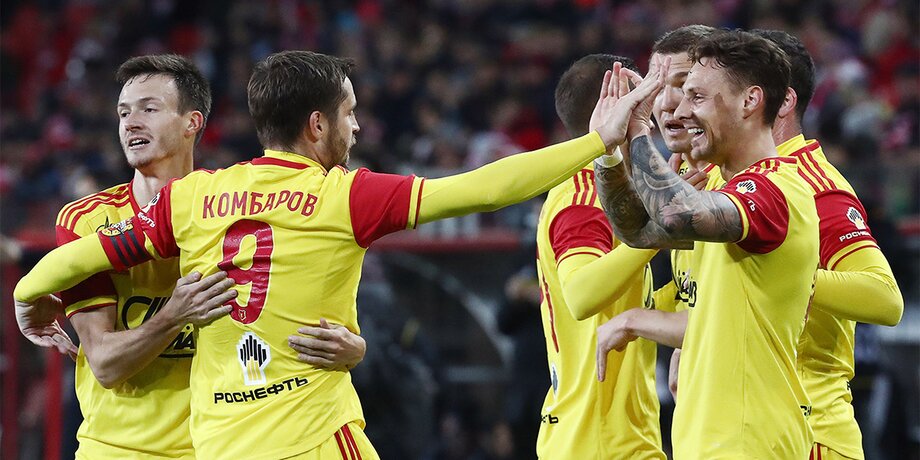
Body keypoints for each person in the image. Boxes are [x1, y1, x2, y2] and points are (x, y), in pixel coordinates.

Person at [14, 49, 667, 459]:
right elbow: (482, 188)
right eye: (349, 113)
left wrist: (26, 296)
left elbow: (78, 259)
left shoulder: (195, 198)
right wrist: (595, 141)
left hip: (218, 443)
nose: (356, 127)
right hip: (308, 437)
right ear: (318, 124)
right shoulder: (343, 196)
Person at [14, 54, 367, 458]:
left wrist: (353, 349)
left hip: (217, 447)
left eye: (149, 109)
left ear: (192, 123)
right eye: (124, 113)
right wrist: (174, 315)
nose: (131, 123)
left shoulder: (233, 208)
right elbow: (106, 365)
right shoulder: (89, 220)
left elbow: (279, 323)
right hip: (119, 449)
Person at [596, 29, 905, 459]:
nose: (675, 107)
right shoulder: (719, 183)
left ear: (758, 100)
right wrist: (608, 152)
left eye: (694, 93)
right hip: (714, 430)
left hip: (809, 430)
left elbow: (885, 299)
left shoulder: (800, 186)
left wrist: (789, 277)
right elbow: (639, 231)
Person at [534, 54, 664, 459]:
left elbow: (622, 302)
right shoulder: (585, 198)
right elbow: (582, 294)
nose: (653, 113)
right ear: (615, 107)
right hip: (601, 438)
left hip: (604, 433)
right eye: (641, 97)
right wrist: (658, 234)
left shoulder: (609, 190)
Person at [592, 27, 716, 395]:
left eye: (686, 86)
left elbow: (741, 318)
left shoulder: (748, 182)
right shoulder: (682, 175)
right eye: (656, 88)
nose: (667, 103)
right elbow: (638, 233)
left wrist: (634, 320)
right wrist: (608, 150)